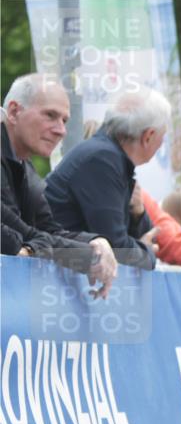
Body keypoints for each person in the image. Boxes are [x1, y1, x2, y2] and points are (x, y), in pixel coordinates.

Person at [2, 73, 116, 296]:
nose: (61, 130)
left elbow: (44, 231)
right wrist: (86, 256)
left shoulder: (25, 166)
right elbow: (20, 239)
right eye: (50, 115)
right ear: (15, 111)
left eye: (64, 120)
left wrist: (96, 242)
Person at [45, 87, 170, 270]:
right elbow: (116, 248)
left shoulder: (110, 157)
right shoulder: (102, 159)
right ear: (148, 136)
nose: (162, 143)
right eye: (163, 135)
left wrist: (138, 213)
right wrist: (147, 254)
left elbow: (146, 237)